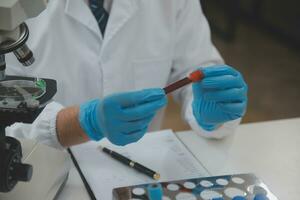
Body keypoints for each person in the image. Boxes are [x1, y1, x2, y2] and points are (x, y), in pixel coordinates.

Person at [5, 0, 247, 149]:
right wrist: (77, 124)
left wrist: (209, 110)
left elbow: (196, 66)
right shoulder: (10, 9)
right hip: (43, 173)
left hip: (140, 169)